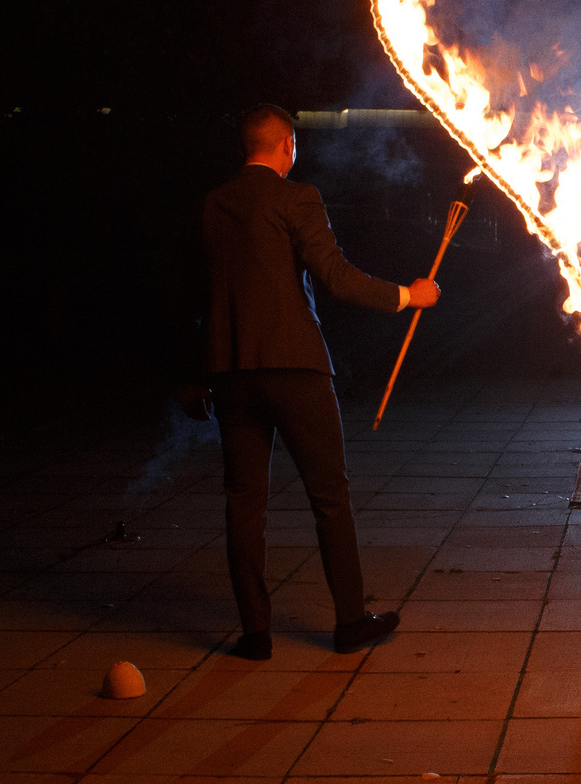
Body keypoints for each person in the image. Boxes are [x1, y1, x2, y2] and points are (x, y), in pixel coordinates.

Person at [180, 105, 439, 659]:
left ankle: (255, 634)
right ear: (285, 148)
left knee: (243, 502)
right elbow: (336, 277)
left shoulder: (213, 204)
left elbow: (199, 297)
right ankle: (349, 621)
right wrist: (407, 296)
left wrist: (194, 374)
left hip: (230, 374)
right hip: (295, 369)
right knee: (329, 495)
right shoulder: (297, 198)